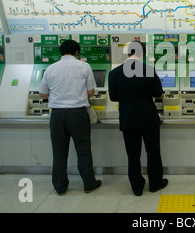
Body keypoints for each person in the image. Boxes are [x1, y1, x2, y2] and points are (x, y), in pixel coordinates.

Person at [39, 39, 101, 195]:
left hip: (57, 115)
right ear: (77, 52)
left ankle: (60, 186)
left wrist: (58, 96)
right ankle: (89, 183)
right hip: (78, 114)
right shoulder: (84, 66)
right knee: (83, 150)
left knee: (59, 152)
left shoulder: (50, 69)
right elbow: (91, 92)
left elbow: (42, 93)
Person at [108, 41, 168, 196]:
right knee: (153, 152)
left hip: (128, 119)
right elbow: (157, 93)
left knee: (133, 155)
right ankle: (155, 184)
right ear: (143, 53)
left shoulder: (114, 73)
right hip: (148, 118)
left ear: (128, 52)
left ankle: (137, 188)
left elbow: (114, 97)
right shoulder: (148, 70)